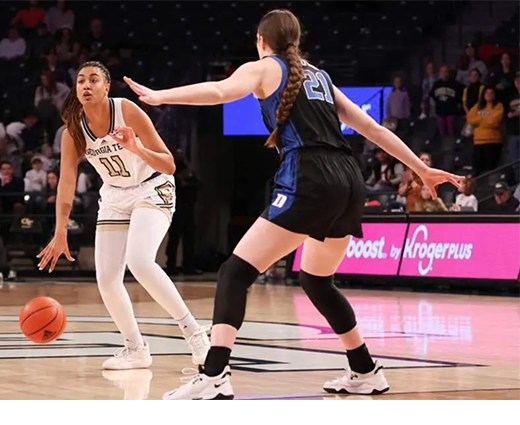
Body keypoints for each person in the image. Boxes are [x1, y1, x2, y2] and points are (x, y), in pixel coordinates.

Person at [124, 9, 463, 399]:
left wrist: (160, 96)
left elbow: (219, 92)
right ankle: (365, 369)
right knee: (316, 280)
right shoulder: (319, 74)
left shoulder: (266, 67)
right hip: (348, 178)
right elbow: (370, 128)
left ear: (261, 40)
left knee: (235, 272)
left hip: (311, 174)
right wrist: (421, 168)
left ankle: (215, 374)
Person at [36, 61, 210, 371]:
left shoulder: (126, 110)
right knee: (106, 279)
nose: (86, 85)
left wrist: (135, 147)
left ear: (106, 86)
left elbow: (168, 164)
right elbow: (66, 182)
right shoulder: (73, 129)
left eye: (93, 79)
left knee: (140, 261)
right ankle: (135, 349)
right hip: (115, 195)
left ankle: (195, 334)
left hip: (152, 186)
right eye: (80, 81)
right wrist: (59, 230)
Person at [467, 87, 504, 176]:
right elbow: (470, 119)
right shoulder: (478, 106)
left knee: (490, 168)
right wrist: (485, 119)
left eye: (491, 93)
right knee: (476, 168)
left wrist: (479, 120)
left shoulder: (498, 106)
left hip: (493, 140)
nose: (489, 95)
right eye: (487, 93)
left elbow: (494, 122)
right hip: (478, 141)